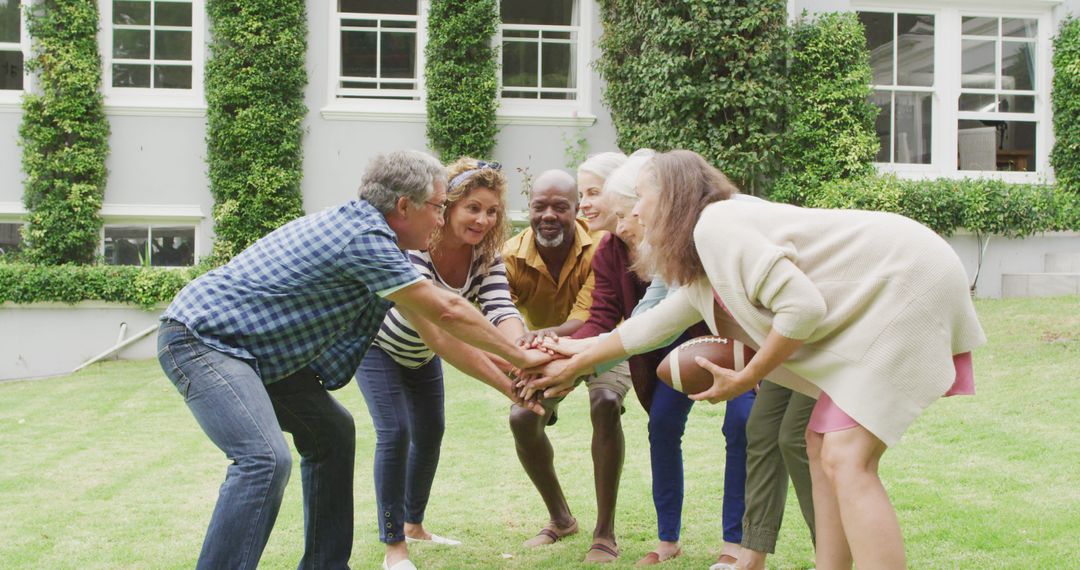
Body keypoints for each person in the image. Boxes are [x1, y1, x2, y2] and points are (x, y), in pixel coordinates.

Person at [524, 149, 985, 570]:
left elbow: (802, 307)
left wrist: (747, 375)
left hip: (906, 283)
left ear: (671, 199)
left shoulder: (715, 225)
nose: (636, 214)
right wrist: (577, 353)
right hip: (892, 288)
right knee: (821, 445)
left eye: (640, 200)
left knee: (847, 456)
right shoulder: (702, 251)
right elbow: (654, 324)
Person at [157, 150, 549, 570]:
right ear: (404, 206)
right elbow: (447, 312)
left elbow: (439, 331)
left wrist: (512, 383)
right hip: (203, 338)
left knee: (333, 433)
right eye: (438, 207)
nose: (440, 219)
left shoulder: (384, 244)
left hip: (256, 353)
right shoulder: (362, 237)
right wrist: (519, 355)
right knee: (265, 460)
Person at [543, 152, 755, 566]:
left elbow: (658, 318)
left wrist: (582, 360)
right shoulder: (613, 250)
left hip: (737, 342)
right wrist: (575, 357)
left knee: (742, 424)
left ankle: (735, 544)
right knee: (661, 424)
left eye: (625, 209)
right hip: (667, 352)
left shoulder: (704, 231)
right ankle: (668, 540)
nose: (624, 224)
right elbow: (632, 319)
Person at [356, 158, 526, 570]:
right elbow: (441, 323)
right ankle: (395, 547)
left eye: (492, 211)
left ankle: (414, 525)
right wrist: (511, 372)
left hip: (424, 354)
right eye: (473, 208)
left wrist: (524, 357)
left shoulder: (485, 256)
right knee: (395, 433)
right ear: (447, 207)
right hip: (379, 348)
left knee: (431, 432)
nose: (483, 220)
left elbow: (502, 310)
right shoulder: (417, 248)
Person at [502, 170, 631, 563]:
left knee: (605, 402)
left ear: (577, 209)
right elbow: (499, 313)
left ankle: (604, 533)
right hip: (543, 349)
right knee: (522, 418)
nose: (549, 215)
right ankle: (561, 519)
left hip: (604, 339)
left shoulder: (601, 247)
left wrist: (538, 338)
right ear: (529, 209)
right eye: (540, 206)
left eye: (561, 206)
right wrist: (526, 347)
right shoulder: (510, 255)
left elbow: (590, 317)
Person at [577, 151, 627, 233]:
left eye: (593, 193)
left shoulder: (653, 243)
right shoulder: (607, 244)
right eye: (581, 195)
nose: (582, 205)